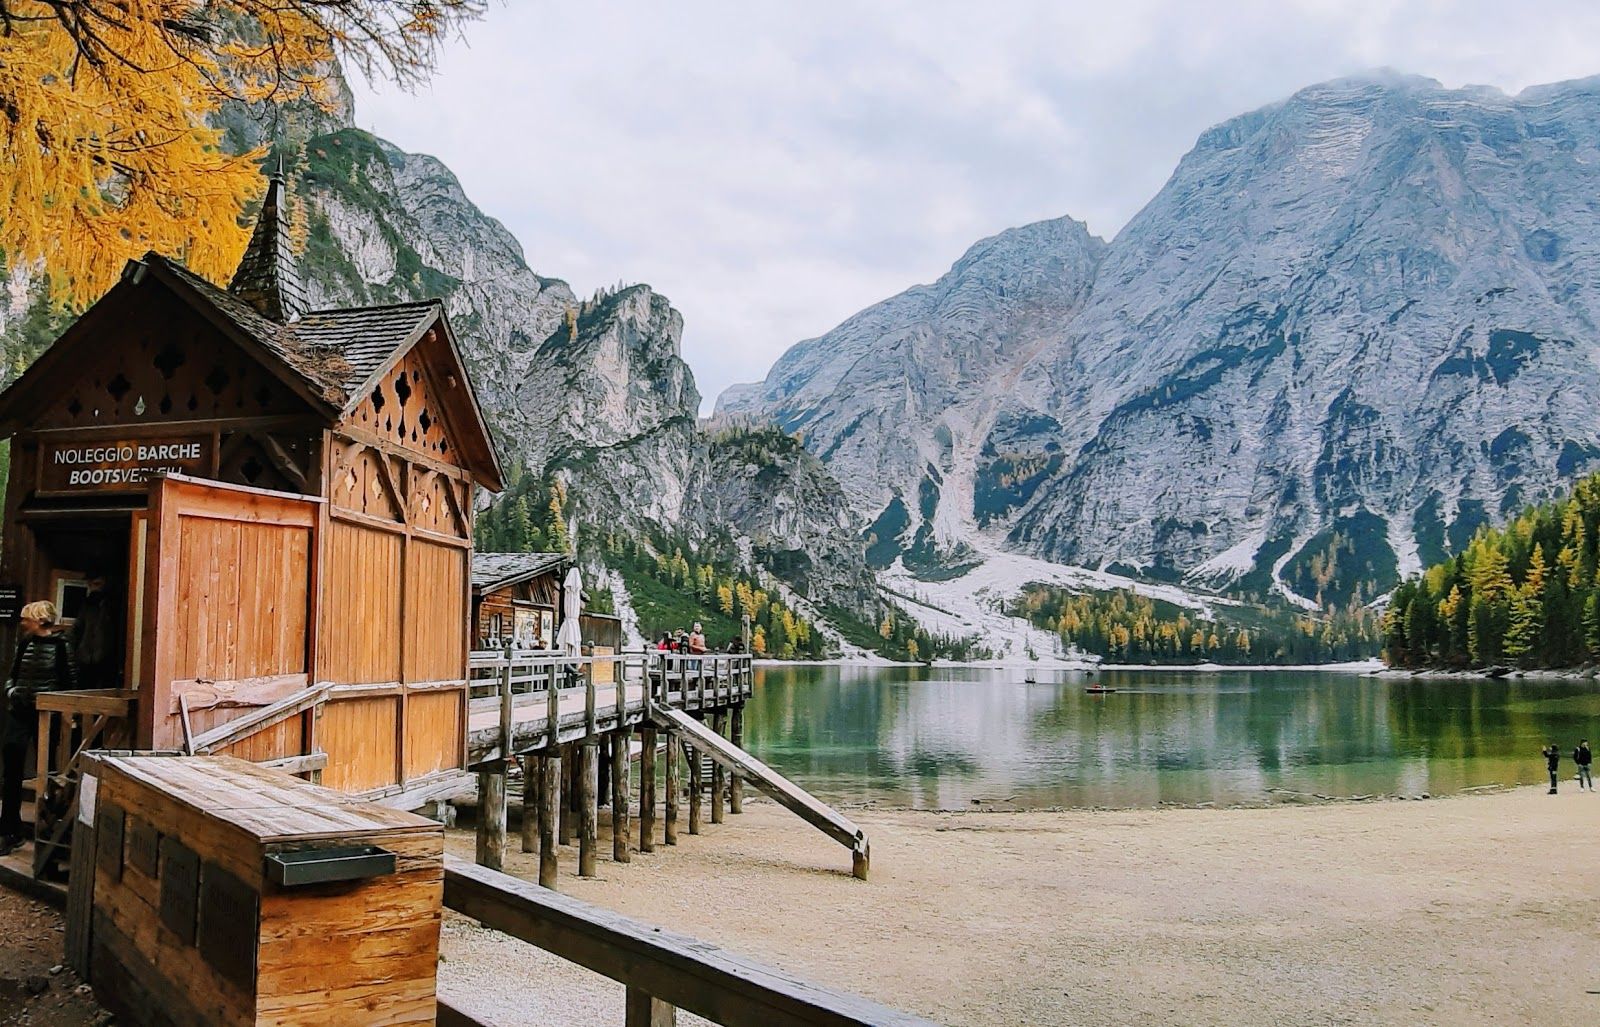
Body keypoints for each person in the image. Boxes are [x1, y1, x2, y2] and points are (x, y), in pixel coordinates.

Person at [1, 601, 79, 854]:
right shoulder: (25, 642)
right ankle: (9, 829)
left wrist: (65, 709)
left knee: (47, 770)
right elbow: (13, 673)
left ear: (39, 620)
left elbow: (70, 681)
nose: (23, 623)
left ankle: (47, 832)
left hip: (47, 714)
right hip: (20, 710)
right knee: (11, 762)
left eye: (27, 619)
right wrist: (12, 692)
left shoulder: (61, 646)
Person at [69, 573, 118, 689]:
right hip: (85, 657)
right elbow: (77, 629)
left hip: (106, 658)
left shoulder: (112, 605)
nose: (93, 588)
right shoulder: (87, 605)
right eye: (91, 584)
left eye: (97, 584)